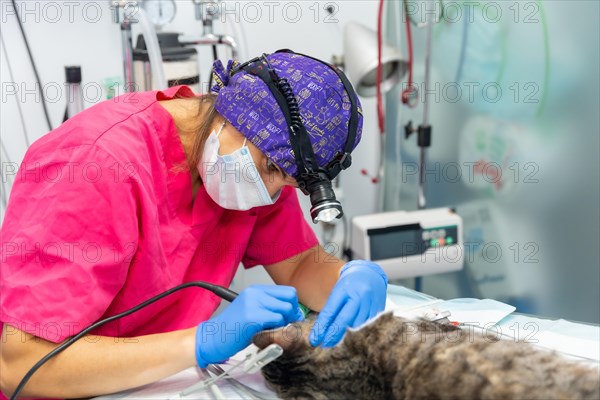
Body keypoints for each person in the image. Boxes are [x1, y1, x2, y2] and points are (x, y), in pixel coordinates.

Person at [0, 50, 387, 399]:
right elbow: (20, 365)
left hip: (160, 383)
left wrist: (349, 278)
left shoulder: (258, 159)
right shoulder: (95, 165)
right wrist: (202, 342)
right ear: (235, 111)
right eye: (271, 169)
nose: (272, 191)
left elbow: (300, 265)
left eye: (288, 181)